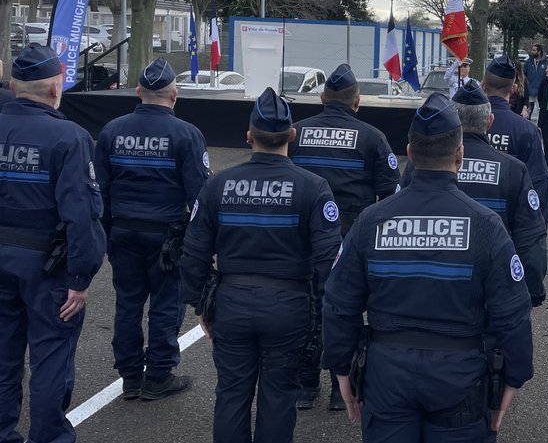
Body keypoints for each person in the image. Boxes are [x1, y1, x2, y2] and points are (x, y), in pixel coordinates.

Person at [322, 93, 534, 440]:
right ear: (460, 156)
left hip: (387, 374)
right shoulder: (485, 224)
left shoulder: (372, 220)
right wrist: (514, 375)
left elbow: (339, 301)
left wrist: (341, 366)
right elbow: (512, 312)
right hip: (460, 377)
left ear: (409, 153)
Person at [180, 87, 341, 443]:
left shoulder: (217, 185)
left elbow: (193, 253)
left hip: (232, 304)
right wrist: (323, 314)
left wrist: (200, 303)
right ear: (293, 136)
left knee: (232, 394)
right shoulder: (313, 188)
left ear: (249, 135)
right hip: (289, 308)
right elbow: (329, 262)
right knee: (279, 396)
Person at [0, 44, 106, 443]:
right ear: (55, 89)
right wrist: (80, 277)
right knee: (50, 357)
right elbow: (82, 214)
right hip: (46, 269)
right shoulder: (69, 137)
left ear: (12, 86)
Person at [94, 58, 209, 402]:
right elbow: (199, 195)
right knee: (165, 304)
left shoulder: (112, 130)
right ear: (174, 95)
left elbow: (100, 189)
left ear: (139, 93)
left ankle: (130, 376)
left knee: (127, 304)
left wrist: (107, 233)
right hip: (166, 236)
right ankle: (159, 374)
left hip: (123, 231)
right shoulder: (187, 134)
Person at [287, 63, 401, 410]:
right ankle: (343, 388)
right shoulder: (372, 137)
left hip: (299, 237)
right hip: (350, 239)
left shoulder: (296, 133)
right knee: (345, 310)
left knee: (305, 307)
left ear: (322, 98)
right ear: (357, 101)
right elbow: (392, 197)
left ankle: (305, 386)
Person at [399, 80, 548, 307]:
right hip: (489, 289)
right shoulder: (513, 170)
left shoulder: (421, 164)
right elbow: (529, 240)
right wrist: (530, 292)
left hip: (427, 288)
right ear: (489, 121)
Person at [484, 55, 548, 222]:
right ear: (513, 88)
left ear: (483, 85)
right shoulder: (527, 130)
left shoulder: (462, 125)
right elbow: (538, 184)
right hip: (509, 223)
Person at [523, 44, 548, 118]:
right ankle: (527, 126)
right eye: (532, 50)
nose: (532, 52)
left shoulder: (546, 62)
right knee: (528, 110)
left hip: (541, 91)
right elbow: (524, 74)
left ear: (539, 52)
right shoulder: (528, 62)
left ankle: (540, 127)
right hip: (530, 90)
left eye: (534, 50)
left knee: (541, 110)